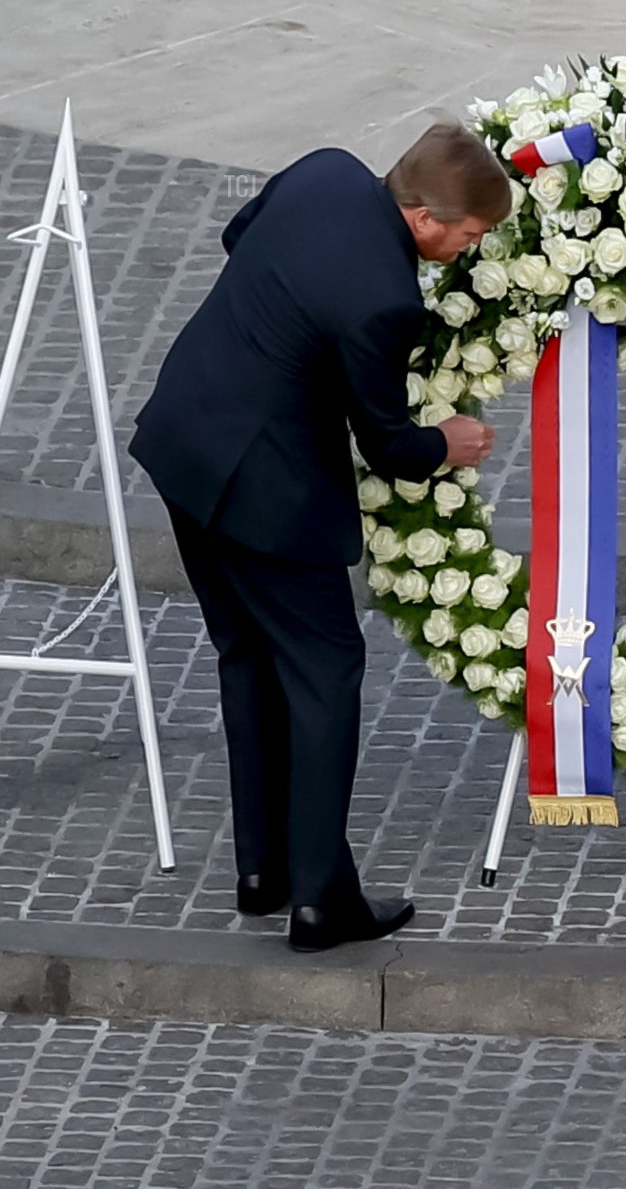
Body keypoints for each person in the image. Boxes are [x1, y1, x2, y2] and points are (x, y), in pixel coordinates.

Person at [130, 123, 510, 951]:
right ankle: (320, 900)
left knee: (247, 654)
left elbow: (242, 236)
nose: (469, 248)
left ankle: (263, 869)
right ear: (422, 216)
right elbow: (388, 444)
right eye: (470, 233)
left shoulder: (325, 171)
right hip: (265, 492)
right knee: (326, 672)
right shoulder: (385, 298)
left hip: (183, 442)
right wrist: (450, 440)